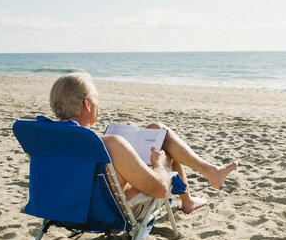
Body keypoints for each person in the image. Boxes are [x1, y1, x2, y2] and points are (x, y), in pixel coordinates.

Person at [49, 72, 238, 214]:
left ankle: (199, 186)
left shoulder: (48, 141)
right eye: (96, 98)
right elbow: (159, 189)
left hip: (69, 210)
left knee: (156, 129)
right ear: (87, 105)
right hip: (119, 212)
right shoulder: (111, 144)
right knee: (162, 142)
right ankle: (197, 189)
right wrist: (157, 165)